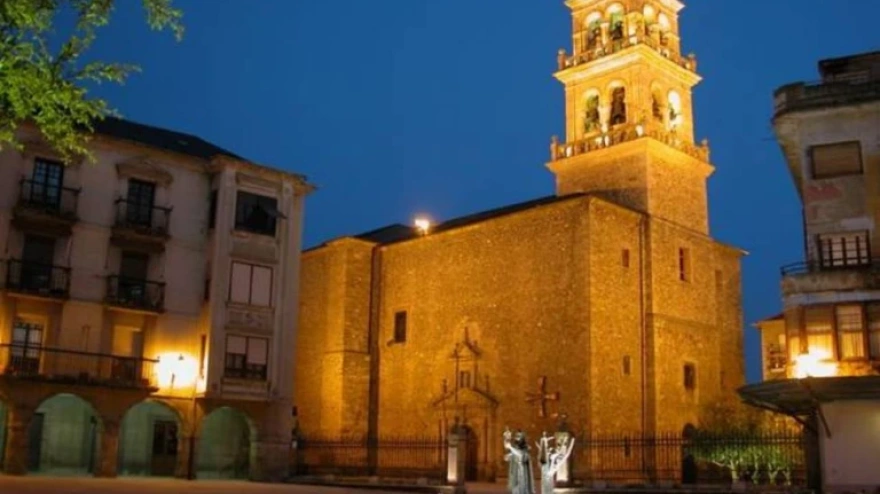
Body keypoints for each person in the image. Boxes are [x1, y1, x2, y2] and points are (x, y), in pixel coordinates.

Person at [504, 428, 535, 494]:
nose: (517, 438)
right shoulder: (515, 448)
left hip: (522, 473)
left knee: (521, 488)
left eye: (519, 436)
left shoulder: (526, 448)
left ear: (522, 438)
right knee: (515, 489)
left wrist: (510, 448)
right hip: (515, 472)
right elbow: (507, 458)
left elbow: (521, 455)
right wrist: (508, 455)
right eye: (516, 436)